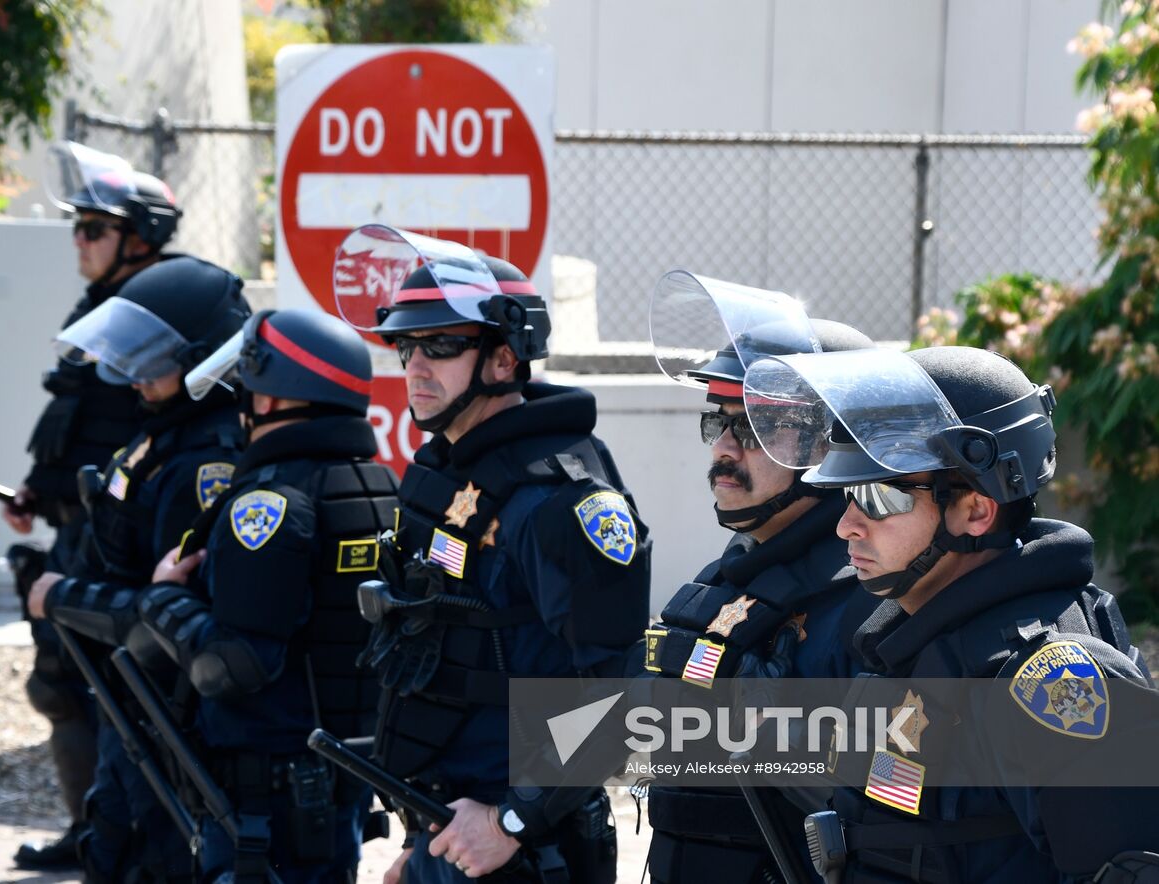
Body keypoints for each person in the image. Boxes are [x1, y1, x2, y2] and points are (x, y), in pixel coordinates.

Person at [740, 344, 1159, 882]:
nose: (847, 526)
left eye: (879, 497)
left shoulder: (1053, 678)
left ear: (976, 511)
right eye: (847, 495)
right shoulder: (915, 648)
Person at [334, 225, 650, 883]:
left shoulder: (559, 501)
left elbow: (621, 692)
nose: (416, 364)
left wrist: (512, 820)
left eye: (442, 344)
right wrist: (423, 846)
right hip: (449, 829)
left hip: (523, 847)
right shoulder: (455, 465)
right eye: (406, 345)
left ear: (506, 360)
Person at [134, 307, 401, 882]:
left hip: (267, 798)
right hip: (342, 777)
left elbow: (235, 665)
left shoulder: (270, 502)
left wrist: (161, 600)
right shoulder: (380, 488)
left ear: (276, 398)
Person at [641, 272, 879, 883]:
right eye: (716, 423)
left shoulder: (868, 602)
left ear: (834, 444)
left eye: (752, 427)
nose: (723, 447)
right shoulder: (726, 577)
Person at [26, 255, 252, 883]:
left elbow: (169, 610)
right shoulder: (160, 434)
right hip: (134, 701)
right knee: (116, 852)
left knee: (156, 859)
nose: (135, 380)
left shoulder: (211, 457)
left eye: (152, 364)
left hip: (171, 710)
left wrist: (64, 597)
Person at [6, 142, 183, 870]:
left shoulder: (165, 312)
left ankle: (125, 841)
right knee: (60, 681)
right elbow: (80, 422)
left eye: (93, 228)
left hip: (124, 541)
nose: (78, 241)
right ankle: (90, 835)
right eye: (76, 227)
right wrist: (37, 489)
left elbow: (156, 438)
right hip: (77, 528)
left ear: (137, 235)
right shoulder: (103, 307)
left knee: (120, 690)